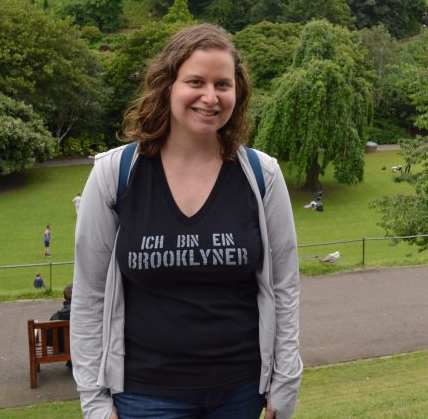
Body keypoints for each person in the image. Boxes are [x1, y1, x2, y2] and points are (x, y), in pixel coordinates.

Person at [71, 24, 301, 419]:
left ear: (237, 92)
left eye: (223, 85)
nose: (210, 97)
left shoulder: (263, 175)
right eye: (196, 81)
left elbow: (284, 287)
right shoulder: (115, 174)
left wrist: (284, 383)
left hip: (241, 392)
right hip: (144, 396)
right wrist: (94, 399)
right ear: (168, 85)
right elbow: (90, 297)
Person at [50, 283, 73, 365]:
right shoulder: (87, 314)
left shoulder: (55, 317)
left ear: (64, 297)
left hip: (62, 348)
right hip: (84, 347)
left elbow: (49, 341)